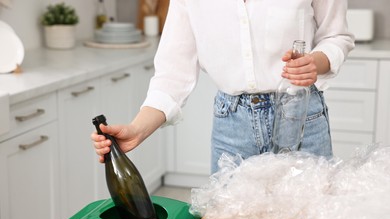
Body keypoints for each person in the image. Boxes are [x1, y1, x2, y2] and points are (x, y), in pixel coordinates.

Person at [92, 0, 355, 174]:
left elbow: (336, 36)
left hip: (301, 117)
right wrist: (136, 130)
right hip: (232, 126)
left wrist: (315, 63)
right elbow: (173, 74)